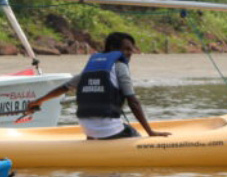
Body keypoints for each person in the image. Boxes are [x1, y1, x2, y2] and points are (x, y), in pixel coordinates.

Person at [26, 31, 170, 139]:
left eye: (131, 49)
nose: (130, 53)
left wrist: (38, 102)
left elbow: (64, 88)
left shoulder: (93, 67)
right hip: (110, 130)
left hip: (87, 129)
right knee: (135, 136)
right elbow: (133, 102)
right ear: (113, 48)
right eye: (126, 49)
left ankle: (94, 140)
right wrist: (150, 132)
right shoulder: (120, 67)